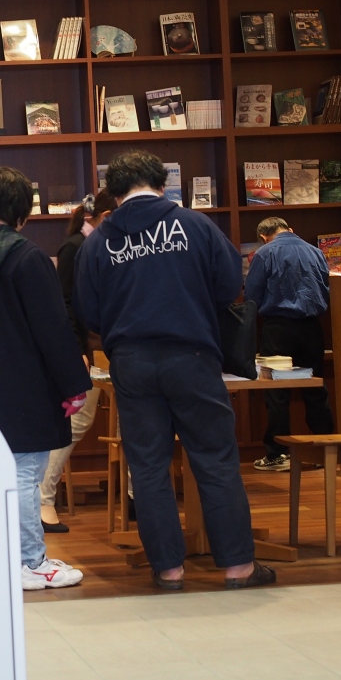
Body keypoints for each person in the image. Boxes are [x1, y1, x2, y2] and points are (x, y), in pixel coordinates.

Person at [76, 150, 274, 590]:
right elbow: (230, 284)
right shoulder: (195, 225)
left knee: (148, 467)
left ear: (114, 192)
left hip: (131, 362)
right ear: (161, 184)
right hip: (192, 356)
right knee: (215, 459)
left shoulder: (98, 242)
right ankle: (238, 568)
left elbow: (88, 312)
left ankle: (168, 570)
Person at [0, 166, 92, 590]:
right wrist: (74, 385)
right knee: (25, 474)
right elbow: (53, 329)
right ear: (22, 212)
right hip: (28, 384)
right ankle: (30, 562)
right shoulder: (27, 257)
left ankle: (5, 557)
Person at [40, 190, 116, 533]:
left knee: (129, 422)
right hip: (90, 349)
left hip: (115, 346)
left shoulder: (106, 244)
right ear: (100, 216)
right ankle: (42, 497)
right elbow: (65, 303)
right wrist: (77, 351)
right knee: (79, 419)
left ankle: (133, 494)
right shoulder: (75, 247)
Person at [244, 217, 336, 471]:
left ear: (264, 237)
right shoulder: (316, 252)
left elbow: (252, 295)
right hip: (312, 328)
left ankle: (277, 455)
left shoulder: (265, 253)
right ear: (290, 229)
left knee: (277, 391)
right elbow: (325, 288)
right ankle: (323, 451)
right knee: (315, 388)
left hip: (278, 329)